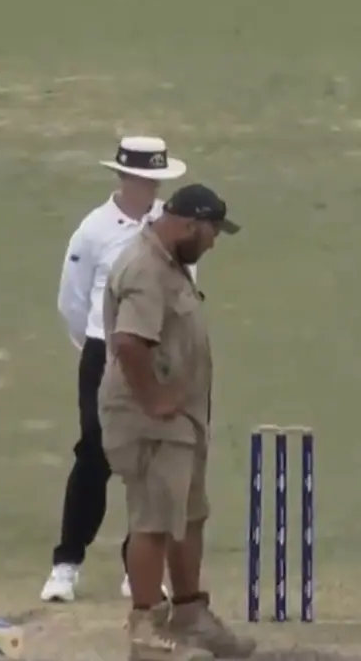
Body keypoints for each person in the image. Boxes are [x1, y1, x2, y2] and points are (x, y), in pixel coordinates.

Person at [100, 182, 251, 661]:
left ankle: (190, 614)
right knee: (153, 520)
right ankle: (145, 629)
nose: (212, 243)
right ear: (189, 224)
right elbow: (128, 342)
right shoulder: (146, 268)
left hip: (178, 421)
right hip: (148, 422)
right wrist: (155, 398)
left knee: (187, 515)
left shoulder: (169, 264)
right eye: (211, 233)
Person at [44, 135, 192, 602]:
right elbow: (73, 297)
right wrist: (94, 344)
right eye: (142, 178)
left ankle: (138, 568)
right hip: (102, 351)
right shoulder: (93, 229)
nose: (149, 187)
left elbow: (185, 292)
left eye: (156, 179)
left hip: (156, 354)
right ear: (123, 176)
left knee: (149, 459)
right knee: (95, 452)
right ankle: (67, 564)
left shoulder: (172, 227)